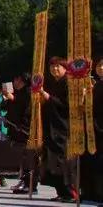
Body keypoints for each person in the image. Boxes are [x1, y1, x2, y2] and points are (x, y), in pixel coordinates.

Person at [39, 57, 78, 202]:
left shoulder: (68, 83)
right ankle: (61, 191)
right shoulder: (53, 83)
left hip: (63, 128)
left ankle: (70, 192)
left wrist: (48, 97)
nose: (55, 69)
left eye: (58, 67)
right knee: (52, 161)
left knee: (63, 162)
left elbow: (66, 105)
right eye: (52, 67)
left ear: (65, 68)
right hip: (52, 127)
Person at [81, 57, 103, 202]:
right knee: (92, 162)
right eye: (100, 65)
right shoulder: (96, 85)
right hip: (93, 128)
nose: (101, 68)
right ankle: (92, 193)